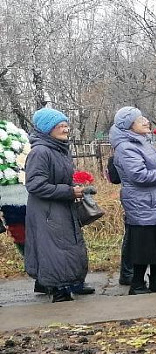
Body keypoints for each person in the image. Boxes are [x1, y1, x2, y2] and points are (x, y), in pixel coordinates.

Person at [110, 106, 156, 294]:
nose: (145, 121)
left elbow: (149, 166)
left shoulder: (142, 141)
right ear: (129, 126)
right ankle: (137, 284)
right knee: (145, 247)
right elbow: (139, 176)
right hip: (143, 205)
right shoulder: (126, 147)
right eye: (139, 119)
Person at [23, 108, 89, 303]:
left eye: (66, 124)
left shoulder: (58, 149)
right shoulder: (41, 152)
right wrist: (68, 191)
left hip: (60, 207)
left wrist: (73, 187)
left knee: (67, 246)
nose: (65, 128)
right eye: (60, 125)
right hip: (47, 211)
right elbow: (35, 185)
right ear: (47, 129)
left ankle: (69, 283)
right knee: (54, 249)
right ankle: (58, 290)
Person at [108, 156, 156, 286]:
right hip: (138, 200)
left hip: (152, 198)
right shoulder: (124, 149)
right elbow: (130, 176)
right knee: (136, 237)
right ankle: (128, 273)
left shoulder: (145, 144)